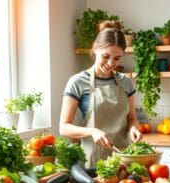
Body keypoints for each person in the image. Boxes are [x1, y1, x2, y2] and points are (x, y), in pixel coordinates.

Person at [59, 20, 142, 167]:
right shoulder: (78, 82)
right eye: (106, 56)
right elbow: (64, 127)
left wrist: (134, 128)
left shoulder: (125, 82)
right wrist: (91, 131)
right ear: (95, 49)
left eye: (117, 58)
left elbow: (131, 118)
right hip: (93, 162)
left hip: (124, 159)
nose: (111, 63)